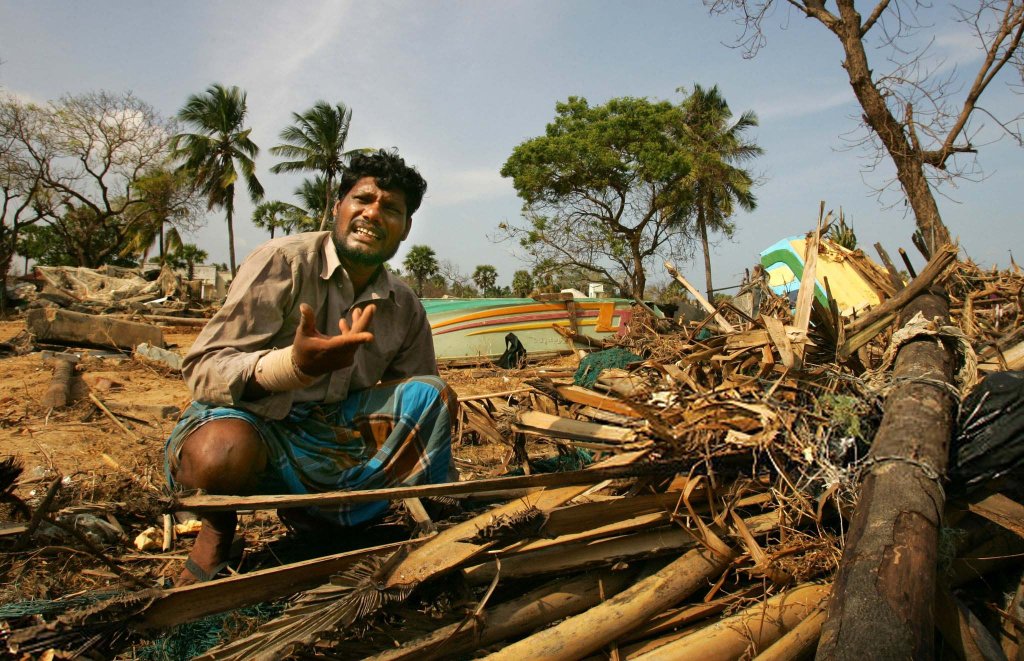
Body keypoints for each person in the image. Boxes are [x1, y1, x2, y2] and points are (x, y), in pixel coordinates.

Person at [164, 149, 455, 585]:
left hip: (329, 432)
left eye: (390, 208)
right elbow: (204, 369)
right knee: (220, 453)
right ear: (338, 207)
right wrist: (294, 366)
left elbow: (412, 401)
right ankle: (218, 534)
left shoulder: (403, 304)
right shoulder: (283, 261)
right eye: (363, 199)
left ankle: (330, 518)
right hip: (256, 419)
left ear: (406, 228)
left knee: (434, 396)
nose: (373, 214)